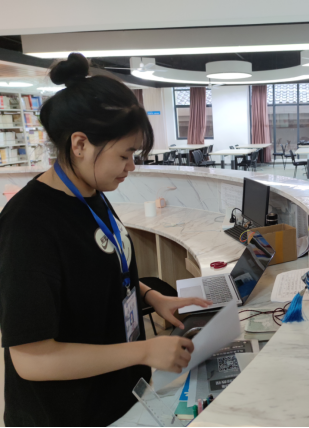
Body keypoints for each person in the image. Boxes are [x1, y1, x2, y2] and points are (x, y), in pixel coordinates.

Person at [0, 53, 212, 427]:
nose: (132, 166)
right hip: (67, 414)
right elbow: (31, 359)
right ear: (80, 144)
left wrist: (152, 296)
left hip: (116, 396)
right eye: (125, 154)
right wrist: (143, 351)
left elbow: (96, 270)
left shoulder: (90, 193)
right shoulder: (28, 227)